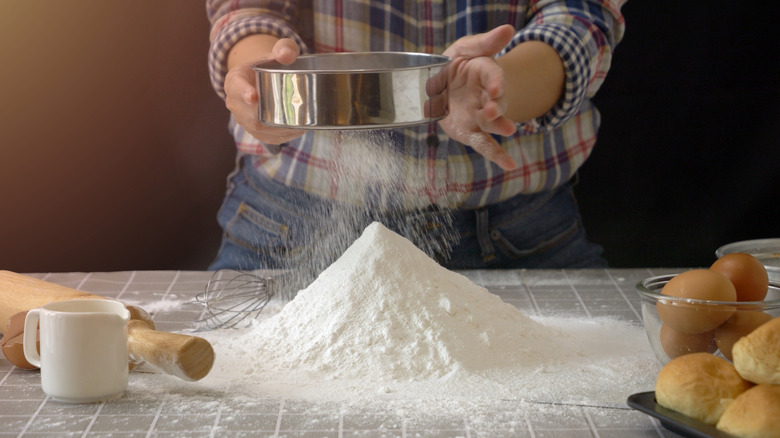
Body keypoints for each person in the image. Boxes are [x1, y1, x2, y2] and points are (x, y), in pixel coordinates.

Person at [206, 1, 626, 274]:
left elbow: (580, 16)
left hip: (517, 238)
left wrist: (498, 90)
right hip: (291, 225)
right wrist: (264, 82)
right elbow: (247, 10)